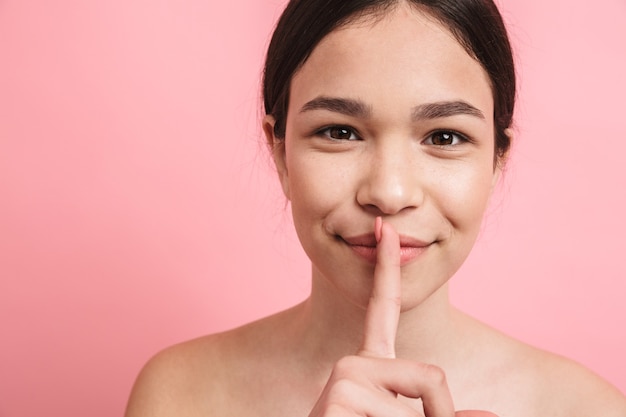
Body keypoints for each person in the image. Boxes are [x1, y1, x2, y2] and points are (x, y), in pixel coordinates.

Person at [124, 0, 626, 415]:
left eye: (445, 136)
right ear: (280, 153)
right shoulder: (179, 395)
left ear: (497, 161)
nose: (388, 192)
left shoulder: (585, 407)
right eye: (339, 132)